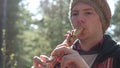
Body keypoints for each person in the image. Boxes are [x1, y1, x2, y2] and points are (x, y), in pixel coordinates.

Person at [32, 0, 120, 68]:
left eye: (88, 13)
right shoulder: (61, 57)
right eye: (75, 14)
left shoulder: (116, 54)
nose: (79, 19)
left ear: (102, 20)